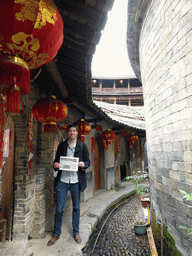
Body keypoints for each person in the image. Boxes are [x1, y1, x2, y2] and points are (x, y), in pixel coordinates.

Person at [47, 124, 90, 246]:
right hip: (63, 181)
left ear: (77, 133)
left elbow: (88, 161)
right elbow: (56, 161)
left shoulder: (82, 146)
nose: (72, 133)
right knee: (59, 209)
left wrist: (83, 164)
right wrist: (55, 165)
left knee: (76, 207)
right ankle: (56, 234)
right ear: (68, 133)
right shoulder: (61, 146)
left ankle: (76, 232)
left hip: (76, 181)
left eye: (74, 131)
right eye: (70, 131)